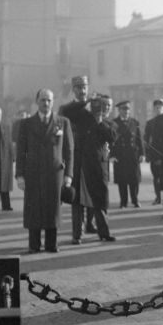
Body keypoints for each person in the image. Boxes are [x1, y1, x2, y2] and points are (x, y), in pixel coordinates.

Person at [16, 89, 74, 253]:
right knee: (33, 208)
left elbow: (69, 151)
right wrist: (20, 175)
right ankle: (34, 245)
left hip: (54, 174)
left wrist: (68, 175)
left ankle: (51, 244)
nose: (46, 103)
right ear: (37, 102)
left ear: (53, 101)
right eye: (42, 100)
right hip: (32, 173)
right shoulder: (26, 124)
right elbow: (20, 151)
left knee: (52, 208)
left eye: (49, 100)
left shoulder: (62, 122)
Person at [59, 75, 95, 245]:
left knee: (93, 193)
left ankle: (90, 224)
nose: (82, 90)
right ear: (73, 90)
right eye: (78, 87)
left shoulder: (94, 105)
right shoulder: (66, 108)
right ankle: (77, 233)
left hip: (93, 158)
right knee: (77, 197)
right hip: (76, 158)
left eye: (84, 87)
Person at [80, 95, 117, 241]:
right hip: (86, 164)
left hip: (101, 166)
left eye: (108, 106)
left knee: (101, 197)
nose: (105, 108)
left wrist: (100, 122)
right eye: (103, 105)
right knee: (92, 198)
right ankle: (95, 227)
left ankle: (102, 230)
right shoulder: (86, 121)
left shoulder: (109, 123)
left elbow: (112, 137)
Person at [111, 100, 144, 208]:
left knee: (134, 180)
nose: (126, 111)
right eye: (123, 109)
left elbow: (139, 139)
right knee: (122, 181)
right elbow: (111, 141)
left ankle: (135, 200)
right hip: (120, 156)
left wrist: (142, 154)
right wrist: (112, 155)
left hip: (133, 155)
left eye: (128, 109)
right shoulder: (114, 123)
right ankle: (123, 201)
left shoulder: (134, 122)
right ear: (119, 110)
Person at [143, 99, 163, 205]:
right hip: (155, 155)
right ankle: (158, 197)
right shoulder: (150, 123)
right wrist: (148, 155)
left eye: (160, 107)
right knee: (156, 177)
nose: (159, 109)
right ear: (153, 109)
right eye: (156, 107)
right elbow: (146, 140)